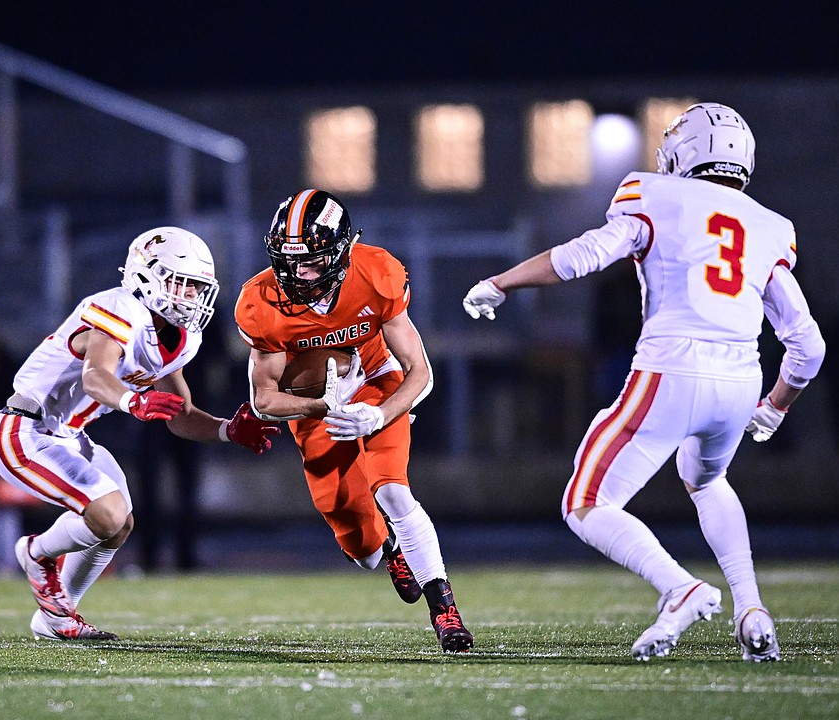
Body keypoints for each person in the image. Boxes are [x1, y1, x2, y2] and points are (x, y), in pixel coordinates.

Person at [463, 102, 826, 662]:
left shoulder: (653, 193)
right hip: (739, 381)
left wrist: (502, 282)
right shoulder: (771, 227)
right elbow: (809, 346)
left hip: (671, 369)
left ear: (686, 150)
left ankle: (679, 587)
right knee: (705, 480)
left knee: (585, 500)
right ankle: (751, 607)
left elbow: (586, 255)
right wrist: (775, 408)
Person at [0, 226, 278, 641]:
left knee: (120, 523)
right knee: (106, 513)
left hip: (71, 435)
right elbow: (95, 377)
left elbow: (182, 414)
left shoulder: (180, 338)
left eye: (198, 288)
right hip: (25, 429)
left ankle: (56, 617)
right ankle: (35, 553)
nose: (193, 297)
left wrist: (227, 430)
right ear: (148, 276)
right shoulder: (118, 308)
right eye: (185, 284)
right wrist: (133, 402)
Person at [235, 188, 473, 653]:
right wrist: (319, 406)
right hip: (313, 406)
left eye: (312, 261)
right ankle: (390, 552)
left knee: (393, 490)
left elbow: (420, 372)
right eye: (288, 262)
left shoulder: (376, 273)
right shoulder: (259, 302)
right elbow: (263, 399)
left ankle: (445, 611)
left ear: (341, 251)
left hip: (375, 385)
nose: (298, 274)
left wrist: (379, 413)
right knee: (361, 548)